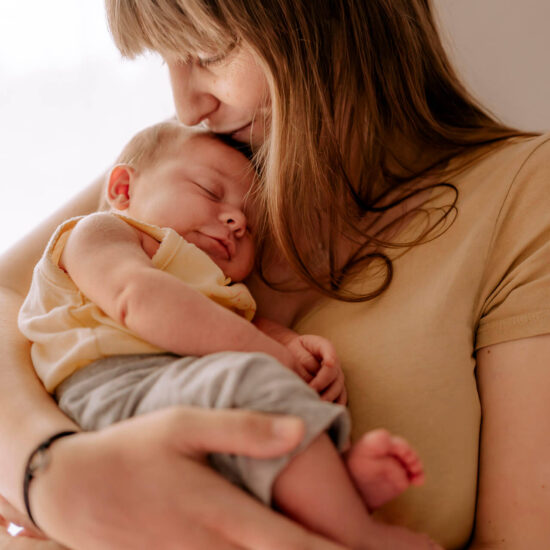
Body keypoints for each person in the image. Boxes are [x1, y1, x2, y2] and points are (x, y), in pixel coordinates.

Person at [0, 0, 549, 549]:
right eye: (166, 60)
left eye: (208, 52)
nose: (187, 108)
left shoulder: (525, 194)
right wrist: (50, 473)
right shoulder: (181, 166)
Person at [18, 120, 430, 549]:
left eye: (249, 226)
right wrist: (266, 352)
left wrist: (291, 346)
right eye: (211, 192)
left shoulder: (217, 286)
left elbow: (236, 325)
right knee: (251, 380)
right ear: (124, 190)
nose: (235, 220)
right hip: (111, 391)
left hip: (176, 391)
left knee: (251, 411)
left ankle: (330, 491)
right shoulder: (103, 232)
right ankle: (358, 533)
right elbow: (137, 298)